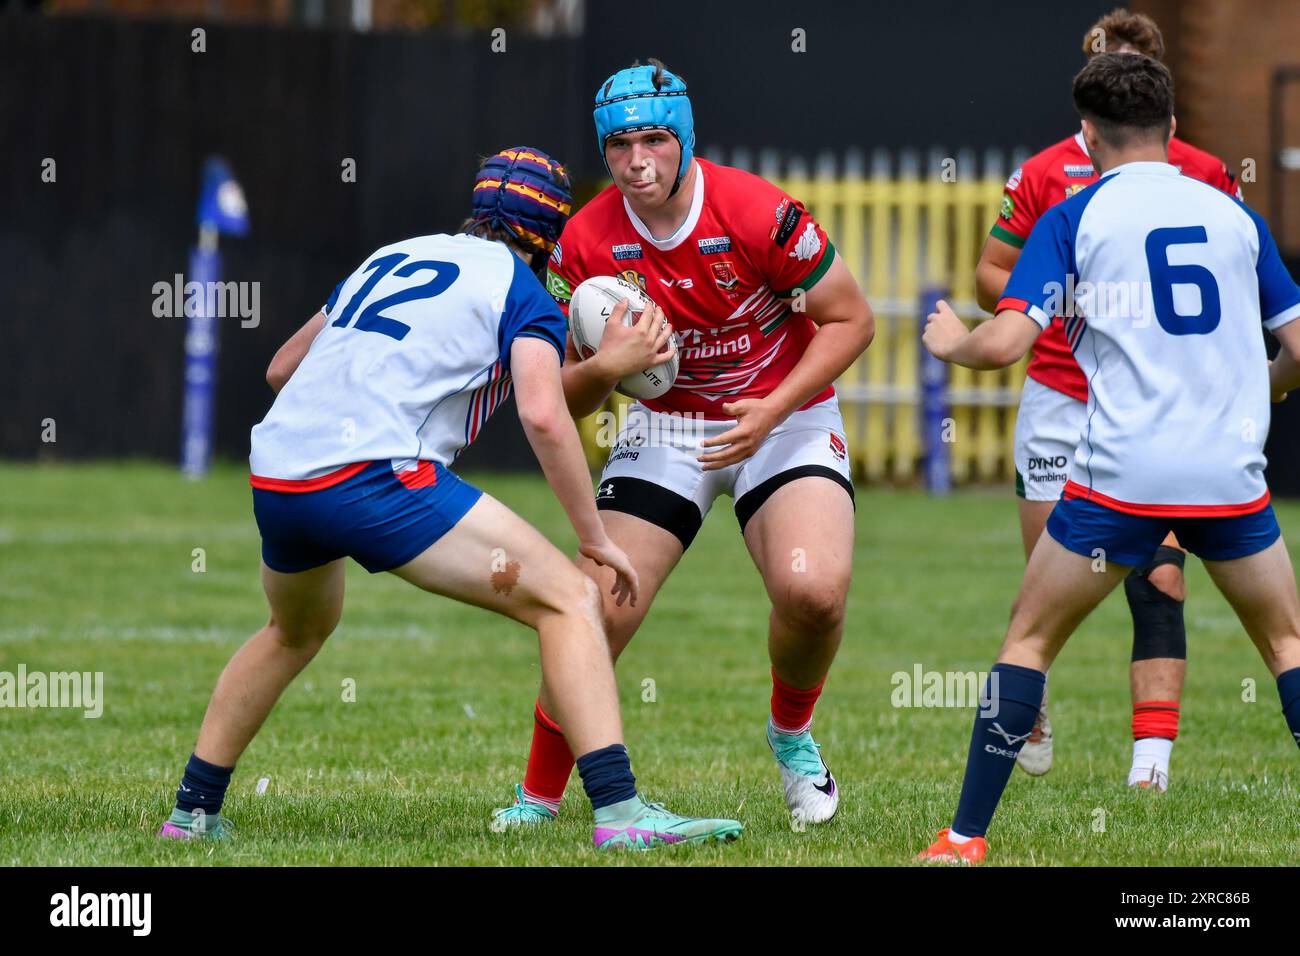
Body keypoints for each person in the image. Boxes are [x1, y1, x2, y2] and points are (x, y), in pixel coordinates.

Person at [157, 146, 743, 851]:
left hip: (279, 474)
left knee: (293, 631)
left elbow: (283, 367)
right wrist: (594, 533)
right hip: (374, 475)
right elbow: (544, 413)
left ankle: (191, 812)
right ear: (548, 238)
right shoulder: (521, 290)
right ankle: (621, 815)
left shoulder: (391, 256)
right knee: (570, 598)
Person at [918, 52, 1300, 863]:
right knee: (1288, 647)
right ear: (1172, 129)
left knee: (1027, 642)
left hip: (1120, 478)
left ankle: (963, 838)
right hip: (1226, 477)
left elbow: (1010, 341)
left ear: (1087, 136)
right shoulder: (1235, 216)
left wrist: (954, 344)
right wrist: (1271, 382)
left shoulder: (1074, 217)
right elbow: (1298, 343)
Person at [493, 59, 875, 827]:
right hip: (668, 429)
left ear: (686, 139)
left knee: (814, 592)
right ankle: (537, 793)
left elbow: (851, 320)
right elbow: (558, 396)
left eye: (657, 141)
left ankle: (792, 735)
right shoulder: (584, 244)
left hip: (783, 414)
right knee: (593, 607)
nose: (638, 163)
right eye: (621, 145)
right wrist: (607, 366)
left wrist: (773, 408)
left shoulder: (756, 211)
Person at [973, 8, 1244, 788]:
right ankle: (1032, 700)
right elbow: (993, 272)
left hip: (1157, 403)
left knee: (1159, 577)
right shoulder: (1046, 172)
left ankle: (1149, 769)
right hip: (1061, 394)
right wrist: (1061, 299)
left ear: (1155, 85)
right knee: (1047, 591)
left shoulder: (1204, 172)